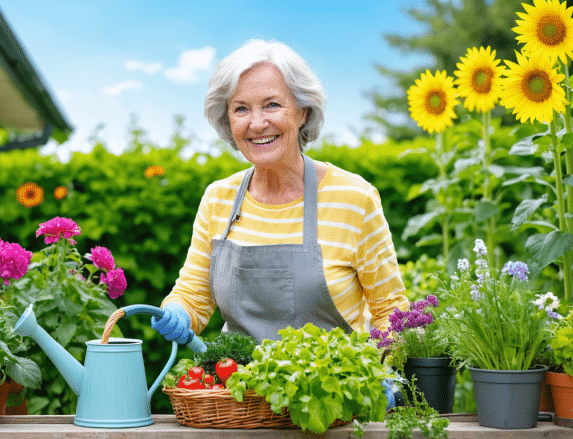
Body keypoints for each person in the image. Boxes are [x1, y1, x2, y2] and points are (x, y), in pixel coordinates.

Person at [152, 39, 409, 347]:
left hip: (335, 377)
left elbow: (390, 313)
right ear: (228, 120)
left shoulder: (353, 199)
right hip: (237, 378)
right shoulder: (218, 200)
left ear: (302, 112)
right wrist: (177, 311)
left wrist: (376, 368)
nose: (257, 123)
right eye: (241, 109)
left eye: (272, 105)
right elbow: (193, 295)